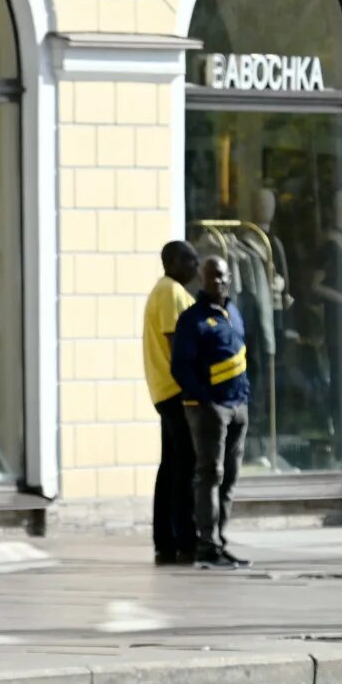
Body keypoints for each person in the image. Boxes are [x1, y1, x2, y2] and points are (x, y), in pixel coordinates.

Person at [170, 255, 252, 571]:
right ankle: (206, 545)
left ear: (230, 277)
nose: (217, 282)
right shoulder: (192, 319)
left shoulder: (233, 313)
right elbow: (180, 366)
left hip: (238, 406)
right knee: (210, 475)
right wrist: (205, 400)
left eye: (222, 276)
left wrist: (244, 398)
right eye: (211, 277)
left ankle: (220, 540)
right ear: (201, 281)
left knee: (229, 478)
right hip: (210, 411)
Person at [143, 241, 200, 566]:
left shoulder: (167, 290)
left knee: (171, 467)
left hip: (166, 389)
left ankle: (165, 540)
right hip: (176, 390)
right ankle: (182, 538)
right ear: (174, 262)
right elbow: (177, 342)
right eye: (191, 260)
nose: (196, 265)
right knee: (183, 468)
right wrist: (195, 386)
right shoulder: (170, 292)